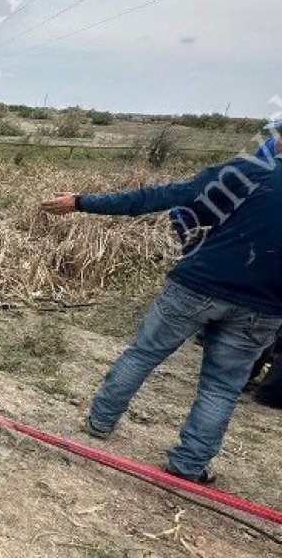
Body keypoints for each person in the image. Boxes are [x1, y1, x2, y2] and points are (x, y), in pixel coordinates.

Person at [41, 146, 282, 485]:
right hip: (264, 307)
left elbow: (162, 196)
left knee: (143, 354)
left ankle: (100, 422)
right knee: (223, 386)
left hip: (196, 286)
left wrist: (81, 202)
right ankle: (188, 465)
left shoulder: (248, 170)